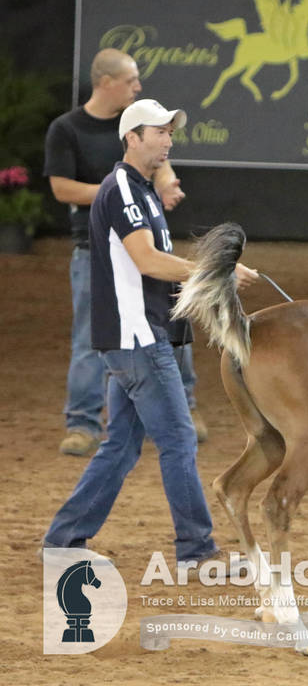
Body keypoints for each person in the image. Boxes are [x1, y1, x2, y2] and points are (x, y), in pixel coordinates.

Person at [42, 99, 259, 567]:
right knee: (178, 439)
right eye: (159, 132)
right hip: (138, 339)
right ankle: (196, 550)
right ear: (132, 138)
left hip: (135, 338)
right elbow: (148, 261)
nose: (168, 140)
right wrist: (216, 271)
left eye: (170, 133)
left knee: (120, 447)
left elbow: (152, 264)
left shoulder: (139, 191)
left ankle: (62, 541)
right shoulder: (123, 188)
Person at [44, 48, 207, 455]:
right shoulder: (67, 129)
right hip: (95, 250)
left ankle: (183, 406)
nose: (137, 87)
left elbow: (159, 163)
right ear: (105, 82)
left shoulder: (138, 124)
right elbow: (61, 188)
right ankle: (82, 422)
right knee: (91, 336)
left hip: (142, 240)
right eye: (131, 80)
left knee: (171, 320)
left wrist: (164, 181)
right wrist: (119, 192)